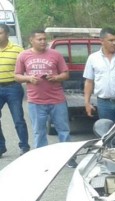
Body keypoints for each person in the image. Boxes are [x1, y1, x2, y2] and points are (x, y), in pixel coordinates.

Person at [14, 29, 74, 166]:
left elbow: (66, 74)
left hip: (57, 99)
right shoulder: (23, 56)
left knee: (63, 130)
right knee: (39, 132)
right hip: (36, 101)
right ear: (31, 40)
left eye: (44, 39)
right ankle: (42, 160)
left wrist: (56, 77)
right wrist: (29, 78)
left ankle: (68, 159)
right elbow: (17, 76)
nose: (43, 41)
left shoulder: (55, 54)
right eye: (39, 39)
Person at [0, 24, 29, 157]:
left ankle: (24, 146)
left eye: (0, 33)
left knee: (18, 118)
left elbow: (26, 68)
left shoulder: (18, 50)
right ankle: (1, 147)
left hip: (13, 88)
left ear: (7, 34)